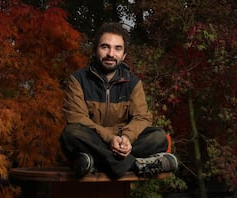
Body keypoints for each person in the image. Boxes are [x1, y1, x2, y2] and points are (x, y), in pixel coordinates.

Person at [60, 22, 178, 178]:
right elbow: (77, 118)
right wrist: (110, 139)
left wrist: (126, 139)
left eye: (117, 48)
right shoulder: (78, 80)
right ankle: (135, 164)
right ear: (95, 51)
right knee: (71, 133)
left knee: (159, 137)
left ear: (124, 56)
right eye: (105, 47)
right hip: (95, 139)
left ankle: (95, 161)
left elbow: (141, 117)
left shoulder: (133, 82)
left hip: (123, 142)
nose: (111, 53)